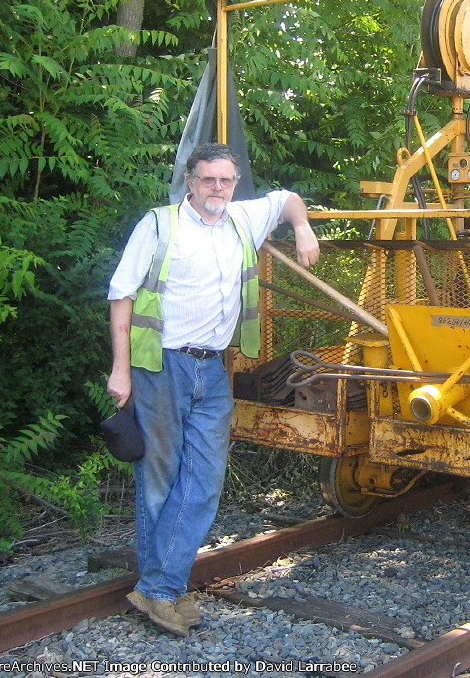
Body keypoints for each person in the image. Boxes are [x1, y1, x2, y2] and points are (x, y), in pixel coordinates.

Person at [106, 142, 320, 637]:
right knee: (159, 477)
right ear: (190, 181)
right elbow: (121, 295)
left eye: (225, 180)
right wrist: (120, 370)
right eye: (208, 179)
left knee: (203, 480)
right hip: (161, 366)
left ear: (234, 183)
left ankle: (157, 587)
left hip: (213, 369)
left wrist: (303, 227)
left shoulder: (242, 219)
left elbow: (288, 200)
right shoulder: (158, 226)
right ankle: (164, 589)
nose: (217, 188)